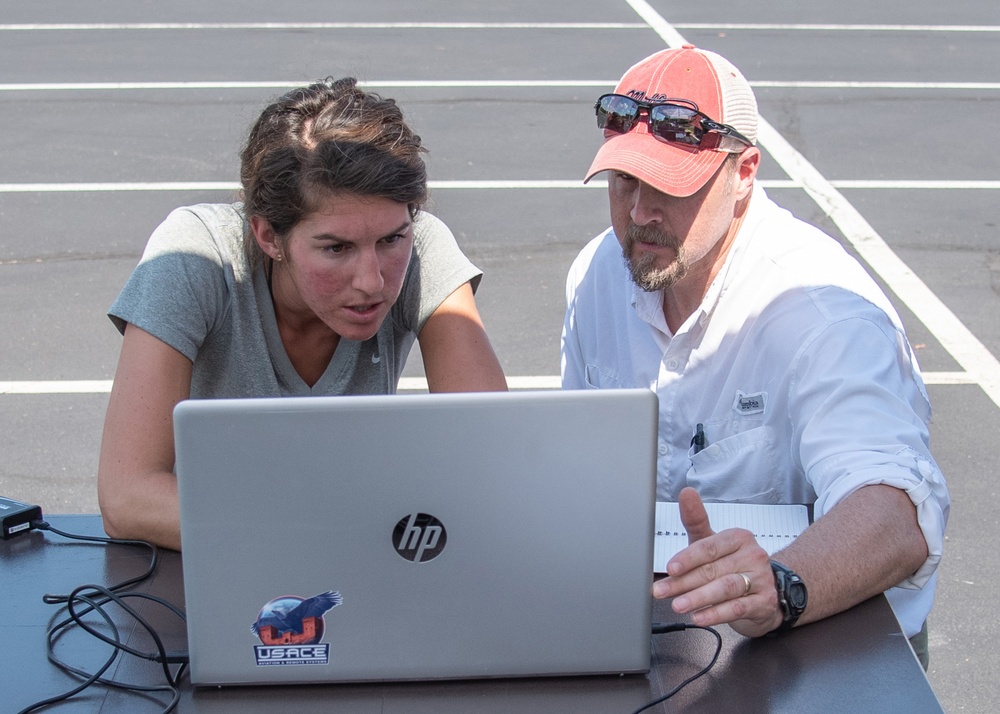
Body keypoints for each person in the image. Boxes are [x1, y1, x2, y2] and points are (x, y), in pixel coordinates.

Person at [560, 46, 948, 665]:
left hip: (832, 642)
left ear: (744, 173)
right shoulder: (599, 275)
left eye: (668, 186)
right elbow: (576, 462)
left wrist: (782, 584)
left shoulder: (824, 317)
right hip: (668, 632)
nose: (638, 214)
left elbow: (895, 513)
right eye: (624, 181)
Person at [99, 77, 507, 551]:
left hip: (326, 549)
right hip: (231, 564)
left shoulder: (424, 245)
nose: (372, 281)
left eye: (392, 239)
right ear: (269, 236)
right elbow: (126, 496)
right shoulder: (195, 256)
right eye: (337, 248)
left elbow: (491, 460)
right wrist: (332, 533)